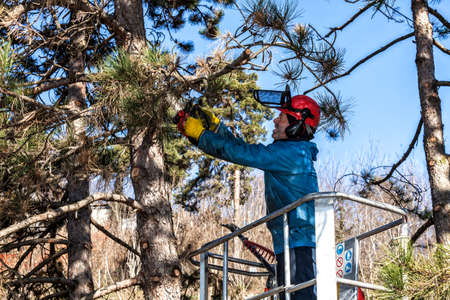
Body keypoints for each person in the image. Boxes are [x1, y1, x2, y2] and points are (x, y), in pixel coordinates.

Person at [179, 94, 320, 300]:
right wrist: (217, 129)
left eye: (282, 116)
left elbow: (241, 153)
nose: (275, 120)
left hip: (298, 246)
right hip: (289, 243)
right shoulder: (290, 152)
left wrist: (201, 135)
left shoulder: (292, 154)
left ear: (295, 125)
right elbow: (242, 150)